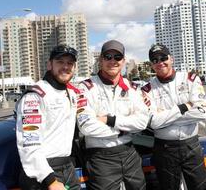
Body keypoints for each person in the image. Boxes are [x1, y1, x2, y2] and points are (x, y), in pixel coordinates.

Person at [76, 40, 148, 190]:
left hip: (129, 153)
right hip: (100, 157)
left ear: (123, 61)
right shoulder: (86, 87)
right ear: (101, 60)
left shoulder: (131, 87)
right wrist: (124, 129)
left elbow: (142, 122)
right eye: (108, 56)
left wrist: (109, 120)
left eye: (117, 57)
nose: (113, 61)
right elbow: (87, 127)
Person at [141, 43, 206, 190]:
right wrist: (184, 107)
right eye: (155, 60)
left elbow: (201, 112)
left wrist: (164, 114)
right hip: (164, 149)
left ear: (172, 59)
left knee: (200, 187)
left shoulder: (190, 79)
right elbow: (154, 122)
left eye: (163, 57)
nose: (160, 62)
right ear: (151, 65)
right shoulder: (147, 89)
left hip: (191, 145)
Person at [16, 44, 80, 190]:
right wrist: (50, 180)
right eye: (60, 62)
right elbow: (29, 144)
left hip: (67, 167)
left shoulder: (71, 94)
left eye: (70, 63)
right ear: (49, 64)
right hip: (42, 174)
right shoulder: (35, 95)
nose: (65, 66)